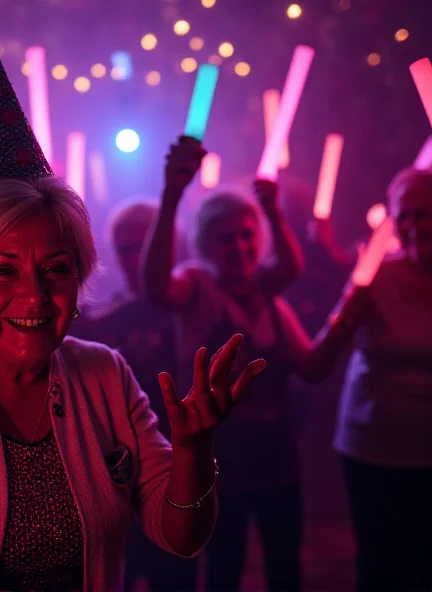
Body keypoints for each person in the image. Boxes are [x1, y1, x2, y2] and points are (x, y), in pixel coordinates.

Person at [0, 58, 267, 592]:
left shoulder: (105, 374)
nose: (35, 294)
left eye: (57, 269)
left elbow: (180, 534)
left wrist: (194, 450)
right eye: (4, 269)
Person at [140, 138, 339, 592]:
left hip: (277, 458)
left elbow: (292, 267)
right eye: (226, 238)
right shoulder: (197, 286)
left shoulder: (267, 295)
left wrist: (272, 210)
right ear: (206, 245)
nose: (240, 246)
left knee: (286, 566)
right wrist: (172, 196)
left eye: (247, 235)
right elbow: (154, 286)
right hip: (219, 463)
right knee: (224, 569)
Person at [327, 168, 432, 592]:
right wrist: (349, 311)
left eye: (424, 214)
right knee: (378, 561)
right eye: (403, 216)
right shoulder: (373, 276)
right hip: (371, 444)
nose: (412, 227)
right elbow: (326, 352)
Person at [84, 198, 196, 592]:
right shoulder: (106, 314)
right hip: (120, 460)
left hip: (175, 452)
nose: (135, 258)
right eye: (127, 248)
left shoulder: (187, 305)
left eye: (144, 247)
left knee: (175, 567)